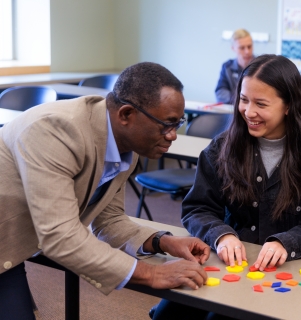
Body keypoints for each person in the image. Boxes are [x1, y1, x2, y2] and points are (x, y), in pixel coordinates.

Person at [0, 62, 212, 319]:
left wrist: (162, 241)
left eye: (178, 124)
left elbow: (109, 221)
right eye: (166, 124)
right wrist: (151, 273)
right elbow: (59, 236)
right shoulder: (55, 131)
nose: (172, 136)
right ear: (126, 115)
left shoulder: (126, 149)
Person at [152, 55, 301, 319]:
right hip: (229, 263)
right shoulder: (222, 147)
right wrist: (222, 235)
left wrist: (285, 244)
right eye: (243, 99)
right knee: (169, 314)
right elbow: (198, 208)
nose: (249, 112)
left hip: (286, 274)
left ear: (289, 105)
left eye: (261, 104)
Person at [215, 29, 254, 104]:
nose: (247, 52)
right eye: (242, 48)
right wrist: (240, 99)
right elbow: (220, 92)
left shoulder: (262, 66)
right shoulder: (227, 67)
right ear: (233, 48)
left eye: (249, 46)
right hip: (232, 109)